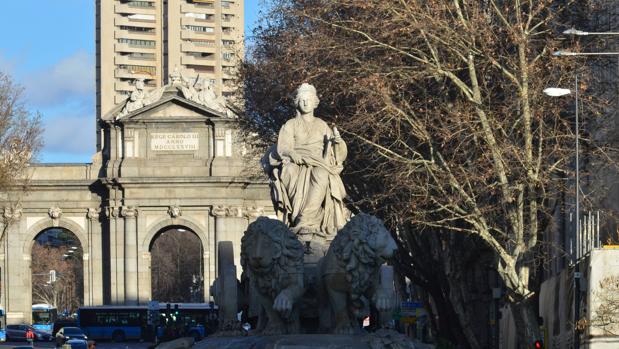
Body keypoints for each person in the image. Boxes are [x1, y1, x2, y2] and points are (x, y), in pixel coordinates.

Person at [265, 83, 349, 240]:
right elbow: (283, 147)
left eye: (309, 99)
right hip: (295, 163)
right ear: (297, 102)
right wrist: (291, 153)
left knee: (322, 175)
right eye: (302, 99)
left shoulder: (322, 125)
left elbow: (335, 154)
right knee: (289, 171)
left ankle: (306, 221)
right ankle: (297, 217)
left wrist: (337, 142)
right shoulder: (290, 125)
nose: (305, 103)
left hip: (319, 163)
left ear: (314, 102)